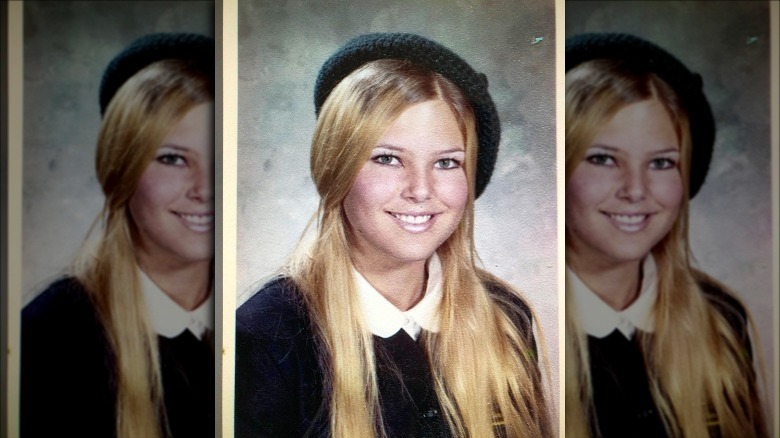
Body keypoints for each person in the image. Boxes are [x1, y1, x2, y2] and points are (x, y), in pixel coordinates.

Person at [236, 33, 551, 437]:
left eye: (446, 163)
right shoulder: (266, 336)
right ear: (337, 168)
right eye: (388, 159)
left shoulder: (504, 317)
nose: (420, 190)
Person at [564, 32, 767, 437]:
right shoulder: (523, 329)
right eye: (603, 159)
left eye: (661, 163)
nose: (636, 190)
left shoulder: (720, 319)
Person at [21, 33, 215, 438]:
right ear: (120, 170)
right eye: (173, 159)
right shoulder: (51, 337)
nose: (205, 187)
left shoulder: (264, 326)